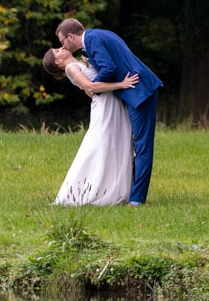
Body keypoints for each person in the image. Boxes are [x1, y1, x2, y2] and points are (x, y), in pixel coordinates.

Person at [55, 17, 162, 206]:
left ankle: (137, 199)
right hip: (133, 92)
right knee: (135, 145)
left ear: (70, 36)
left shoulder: (93, 39)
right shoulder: (99, 35)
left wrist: (93, 87)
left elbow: (109, 68)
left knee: (142, 146)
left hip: (140, 91)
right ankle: (130, 192)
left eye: (62, 41)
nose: (62, 46)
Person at [43, 46, 139, 205]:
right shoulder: (71, 68)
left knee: (118, 142)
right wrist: (121, 84)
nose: (61, 47)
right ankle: (83, 189)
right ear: (58, 61)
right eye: (57, 51)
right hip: (104, 105)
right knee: (100, 144)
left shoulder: (80, 63)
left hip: (113, 102)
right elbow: (90, 87)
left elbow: (88, 89)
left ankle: (114, 186)